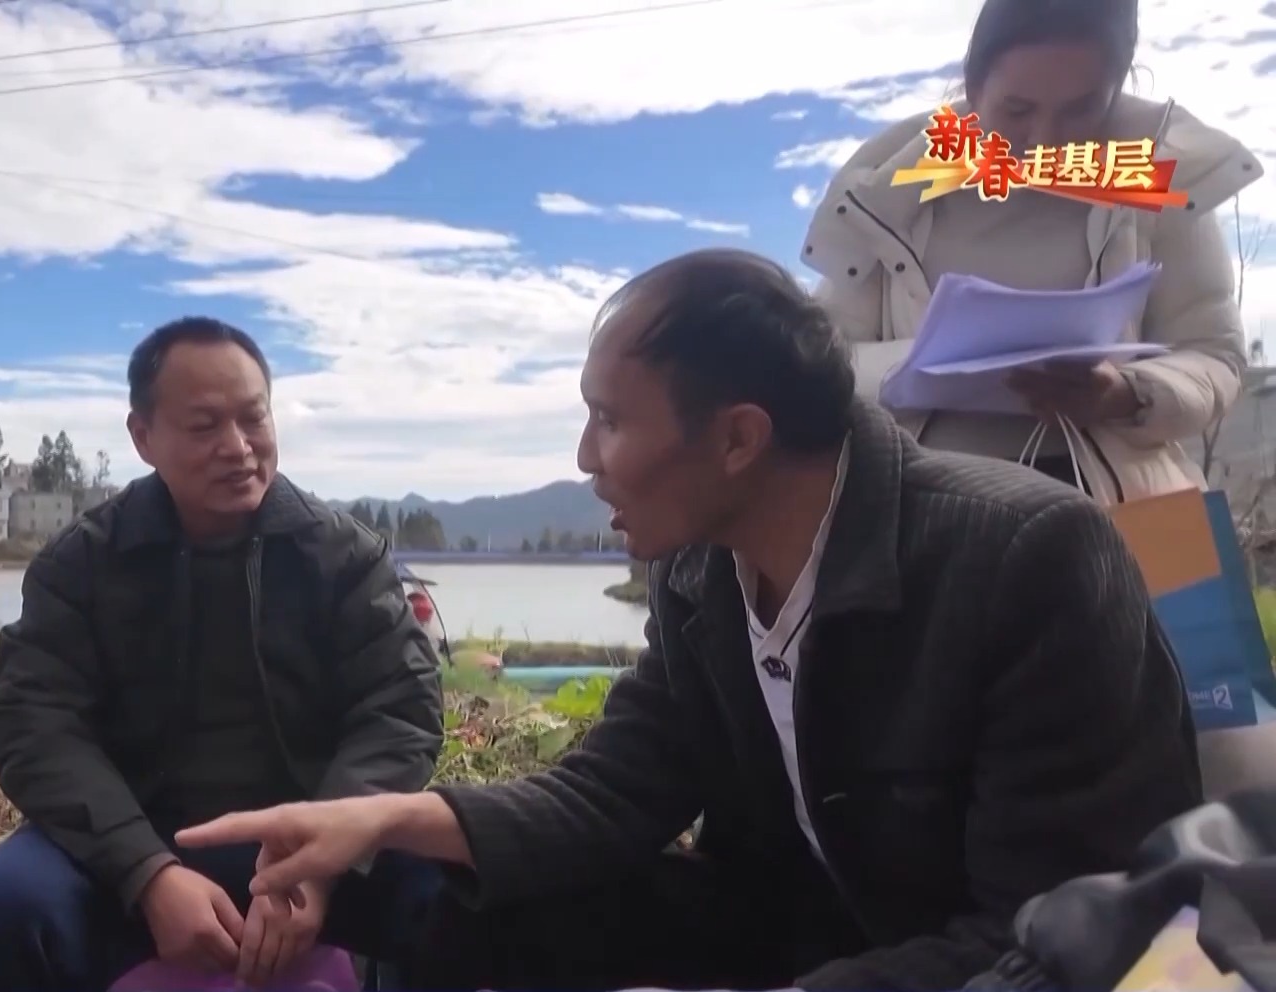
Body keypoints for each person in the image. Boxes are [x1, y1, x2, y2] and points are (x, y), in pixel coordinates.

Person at [176, 250, 1203, 992]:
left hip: (983, 963)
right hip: (789, 931)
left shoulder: (1026, 557)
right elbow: (617, 788)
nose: (585, 458)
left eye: (610, 419)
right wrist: (385, 819)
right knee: (432, 886)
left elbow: (1060, 931)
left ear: (739, 439)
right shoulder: (702, 572)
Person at [0, 317, 444, 991]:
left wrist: (320, 860)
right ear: (143, 437)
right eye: (204, 427)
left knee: (468, 885)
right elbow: (35, 725)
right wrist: (148, 874)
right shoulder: (82, 565)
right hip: (124, 847)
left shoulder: (343, 557)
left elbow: (399, 709)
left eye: (253, 419)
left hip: (311, 841)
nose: (238, 448)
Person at [801, 0, 1263, 504]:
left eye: (1081, 109)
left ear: (1117, 87)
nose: (1044, 141)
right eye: (1017, 110)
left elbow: (1214, 353)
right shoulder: (888, 195)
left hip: (1119, 506)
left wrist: (1130, 393)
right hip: (926, 508)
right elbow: (823, 356)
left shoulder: (1163, 180)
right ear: (972, 88)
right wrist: (914, 366)